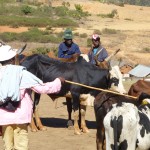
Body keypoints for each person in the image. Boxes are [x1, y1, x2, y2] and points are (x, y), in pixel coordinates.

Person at [0, 43, 65, 150]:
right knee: (21, 146)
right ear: (12, 59)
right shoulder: (21, 73)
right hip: (21, 117)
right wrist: (58, 81)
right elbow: (42, 88)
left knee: (8, 146)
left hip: (3, 118)